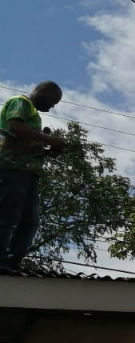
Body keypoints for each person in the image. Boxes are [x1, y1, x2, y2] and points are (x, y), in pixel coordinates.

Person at [0, 81, 66, 271]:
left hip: (27, 172)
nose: (51, 107)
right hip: (11, 169)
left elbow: (26, 143)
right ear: (43, 91)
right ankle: (2, 261)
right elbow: (15, 127)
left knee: (29, 222)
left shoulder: (34, 115)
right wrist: (49, 139)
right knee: (7, 216)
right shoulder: (21, 102)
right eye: (53, 101)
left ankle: (11, 262)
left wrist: (46, 150)